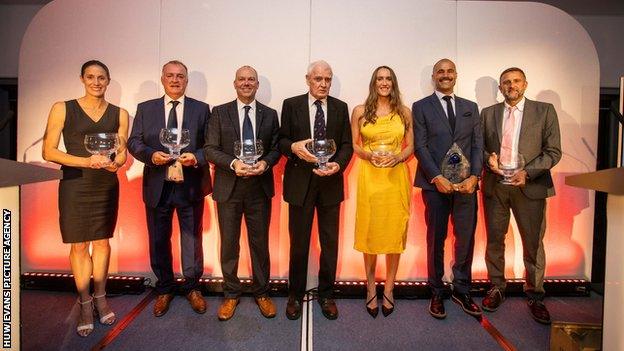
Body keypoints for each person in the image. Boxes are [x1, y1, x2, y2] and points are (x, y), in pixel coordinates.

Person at [42, 60, 128, 337]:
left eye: (101, 77)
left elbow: (122, 152)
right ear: (82, 79)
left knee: (102, 242)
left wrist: (117, 163)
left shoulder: (120, 113)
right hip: (75, 184)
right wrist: (86, 161)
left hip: (105, 184)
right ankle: (84, 303)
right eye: (90, 77)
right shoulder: (62, 108)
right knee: (79, 247)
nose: (96, 82)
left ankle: (101, 297)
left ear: (108, 80)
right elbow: (49, 151)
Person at [127, 60, 211, 317]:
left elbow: (211, 145)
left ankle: (192, 287)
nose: (175, 80)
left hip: (190, 185)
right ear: (163, 79)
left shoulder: (201, 109)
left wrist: (195, 157)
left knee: (192, 240)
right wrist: (151, 156)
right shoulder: (146, 108)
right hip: (158, 185)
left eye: (180, 76)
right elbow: (134, 142)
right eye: (170, 76)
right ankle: (164, 288)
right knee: (158, 239)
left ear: (186, 81)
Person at [480, 67, 561, 324]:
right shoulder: (488, 113)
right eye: (505, 82)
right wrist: (488, 160)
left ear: (525, 84)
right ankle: (496, 287)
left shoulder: (544, 110)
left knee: (533, 243)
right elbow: (479, 147)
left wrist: (528, 173)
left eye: (515, 81)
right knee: (495, 240)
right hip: (497, 185)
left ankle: (535, 293)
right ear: (500, 87)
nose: (510, 85)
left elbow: (553, 151)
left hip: (530, 186)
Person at [204, 66, 280, 321]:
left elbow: (276, 148)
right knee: (229, 245)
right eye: (242, 79)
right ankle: (231, 294)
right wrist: (234, 163)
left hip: (259, 188)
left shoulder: (270, 115)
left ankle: (262, 292)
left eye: (251, 80)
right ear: (234, 83)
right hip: (229, 188)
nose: (246, 83)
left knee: (259, 245)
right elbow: (211, 149)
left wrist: (265, 163)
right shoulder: (219, 112)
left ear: (257, 85)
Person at [279, 60, 353, 320]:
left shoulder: (341, 108)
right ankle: (294, 295)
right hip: (300, 183)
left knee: (329, 243)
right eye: (318, 79)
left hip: (330, 183)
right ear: (308, 79)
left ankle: (327, 295)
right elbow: (281, 141)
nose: (323, 84)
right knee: (298, 244)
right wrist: (294, 147)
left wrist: (338, 165)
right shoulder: (291, 105)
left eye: (328, 79)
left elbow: (346, 144)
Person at [412, 58, 483, 319]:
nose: (445, 75)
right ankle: (437, 290)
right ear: (434, 77)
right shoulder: (420, 107)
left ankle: (462, 289)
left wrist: (475, 176)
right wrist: (436, 177)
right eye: (440, 72)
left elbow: (478, 145)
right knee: (436, 239)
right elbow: (420, 146)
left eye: (449, 71)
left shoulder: (470, 107)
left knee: (465, 238)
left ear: (456, 75)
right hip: (435, 186)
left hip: (466, 186)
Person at [351, 66, 413, 318]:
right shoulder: (359, 111)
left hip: (395, 178)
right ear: (373, 82)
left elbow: (411, 147)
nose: (384, 82)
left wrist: (398, 157)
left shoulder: (404, 112)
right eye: (380, 78)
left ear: (393, 83)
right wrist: (368, 154)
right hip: (370, 176)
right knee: (370, 232)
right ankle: (369, 288)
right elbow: (355, 145)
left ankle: (389, 287)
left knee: (394, 233)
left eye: (388, 78)